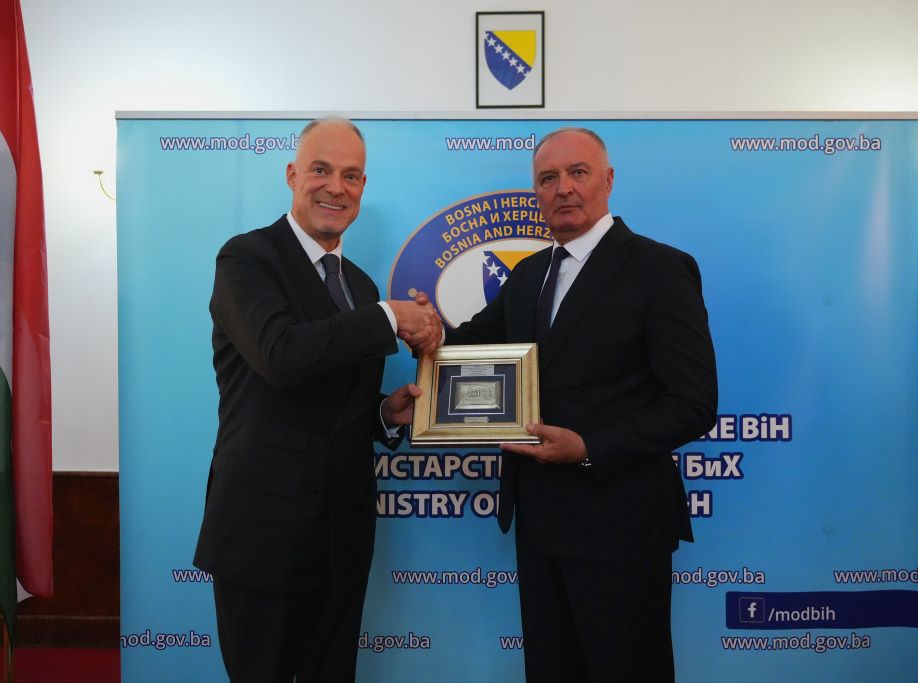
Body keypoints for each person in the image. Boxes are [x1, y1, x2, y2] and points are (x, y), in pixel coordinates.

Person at [443, 127, 718, 682]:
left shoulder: (660, 268)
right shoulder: (528, 275)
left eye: (578, 173)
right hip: (539, 522)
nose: (563, 188)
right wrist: (420, 327)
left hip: (621, 525)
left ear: (608, 181)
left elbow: (694, 403)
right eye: (548, 178)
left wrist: (589, 447)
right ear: (537, 192)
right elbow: (466, 348)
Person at [193, 117, 442, 683]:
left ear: (363, 186)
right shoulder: (247, 259)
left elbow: (334, 396)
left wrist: (383, 413)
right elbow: (280, 355)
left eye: (351, 175)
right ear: (292, 175)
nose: (336, 187)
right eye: (321, 170)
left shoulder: (360, 284)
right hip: (263, 536)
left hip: (342, 537)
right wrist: (389, 317)